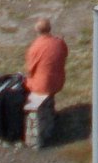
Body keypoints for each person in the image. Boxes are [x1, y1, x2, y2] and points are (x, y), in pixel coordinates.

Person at [23, 16, 68, 144]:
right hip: (58, 81)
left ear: (36, 30)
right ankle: (50, 110)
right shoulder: (59, 42)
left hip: (41, 86)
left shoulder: (35, 48)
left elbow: (29, 70)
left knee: (22, 82)